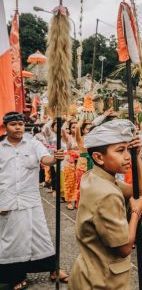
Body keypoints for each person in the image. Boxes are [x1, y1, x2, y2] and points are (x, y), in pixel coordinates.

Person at [69, 119, 142, 290]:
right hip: (102, 281)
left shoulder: (94, 176)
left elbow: (140, 192)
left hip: (89, 271)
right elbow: (125, 248)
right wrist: (135, 212)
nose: (127, 156)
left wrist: (137, 157)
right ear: (98, 157)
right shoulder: (107, 194)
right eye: (120, 150)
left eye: (128, 149)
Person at [0, 112, 69, 290]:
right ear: (5, 126)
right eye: (13, 124)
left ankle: (53, 269)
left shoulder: (33, 144)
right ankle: (16, 275)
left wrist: (55, 159)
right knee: (12, 241)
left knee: (41, 236)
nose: (17, 127)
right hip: (7, 200)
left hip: (30, 200)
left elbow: (45, 159)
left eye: (20, 124)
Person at [62, 117, 79, 210]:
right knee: (69, 182)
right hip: (70, 162)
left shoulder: (81, 137)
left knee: (78, 182)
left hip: (80, 162)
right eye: (73, 127)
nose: (75, 129)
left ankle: (77, 201)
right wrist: (67, 121)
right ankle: (68, 201)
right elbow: (63, 129)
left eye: (77, 127)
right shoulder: (68, 138)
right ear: (70, 128)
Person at [75, 119, 93, 208]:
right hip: (82, 165)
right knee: (81, 187)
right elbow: (77, 127)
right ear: (83, 130)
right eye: (87, 129)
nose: (89, 131)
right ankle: (80, 207)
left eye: (91, 129)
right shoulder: (80, 138)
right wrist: (83, 117)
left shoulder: (95, 139)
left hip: (93, 165)